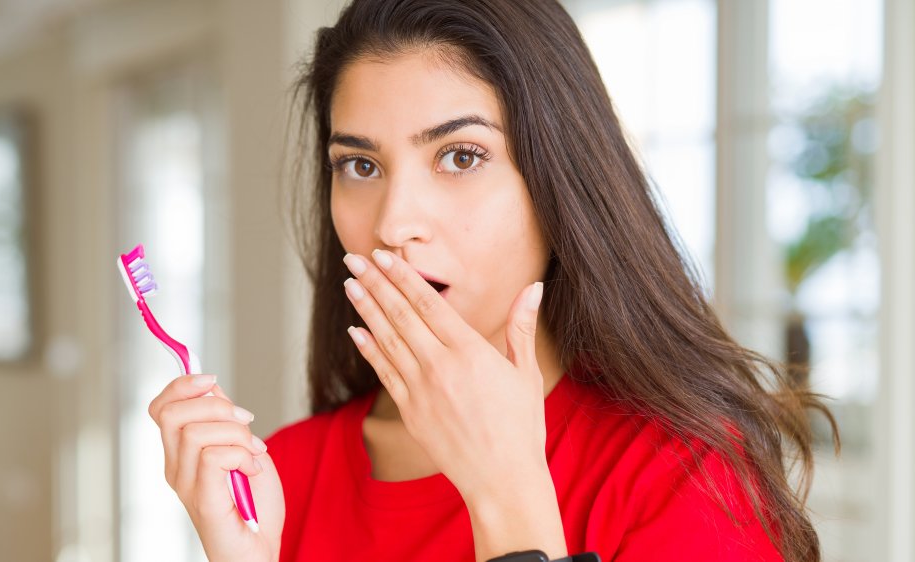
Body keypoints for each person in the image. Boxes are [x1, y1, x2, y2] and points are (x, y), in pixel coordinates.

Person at [148, 0, 837, 560]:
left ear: (559, 182)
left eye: (461, 155)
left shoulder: (682, 473)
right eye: (360, 165)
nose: (394, 224)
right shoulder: (281, 478)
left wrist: (507, 498)